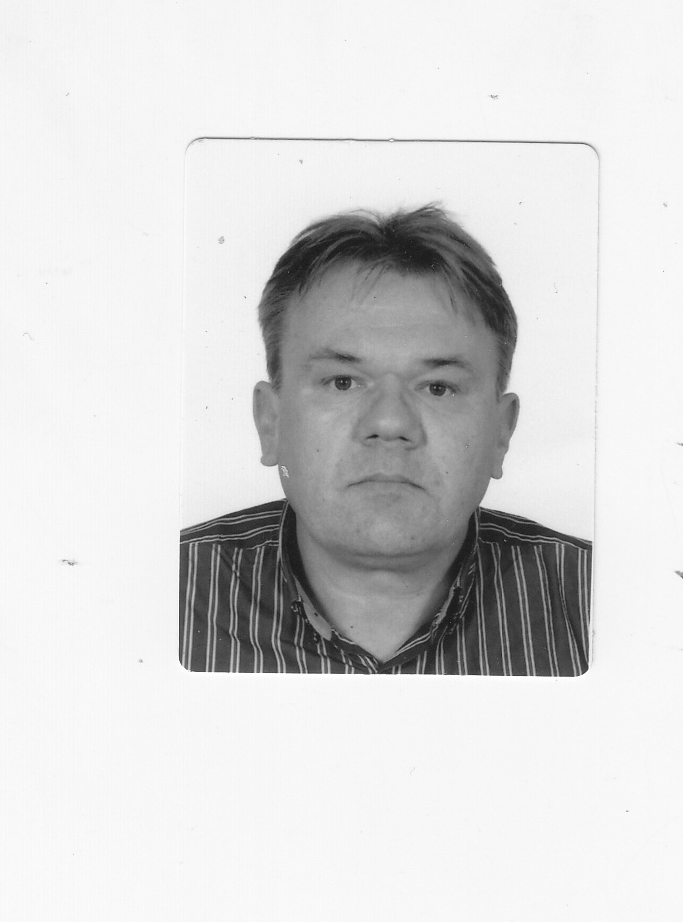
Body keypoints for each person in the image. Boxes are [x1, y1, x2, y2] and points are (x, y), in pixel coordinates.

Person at [179, 205, 591, 674]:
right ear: (270, 422)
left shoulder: (602, 601)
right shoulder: (158, 593)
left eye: (438, 388)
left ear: (502, 432)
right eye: (343, 383)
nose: (391, 422)